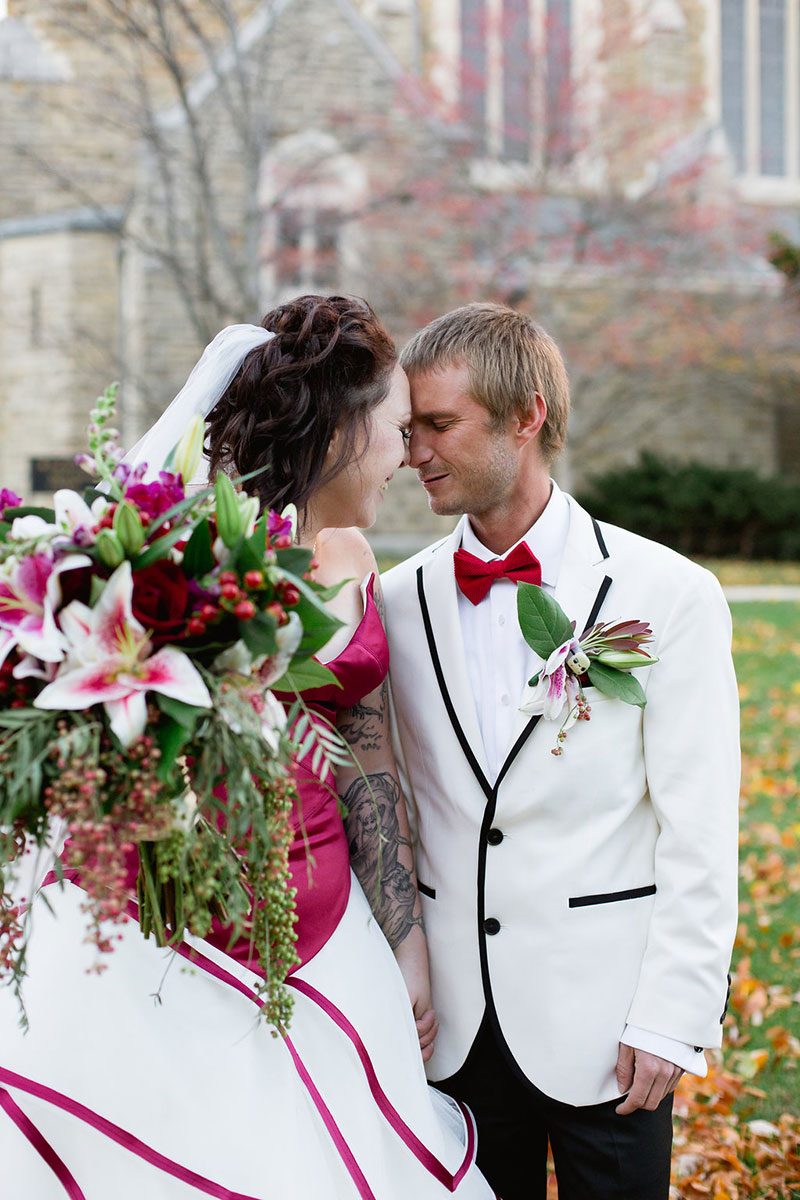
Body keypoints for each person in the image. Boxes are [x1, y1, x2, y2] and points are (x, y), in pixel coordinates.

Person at [0, 296, 493, 1200]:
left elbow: (365, 749)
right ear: (340, 429)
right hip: (188, 921)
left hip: (331, 917)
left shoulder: (353, 555)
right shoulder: (183, 553)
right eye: (395, 430)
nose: (405, 455)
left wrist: (406, 938)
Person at [381, 302, 740, 1200]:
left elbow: (699, 831)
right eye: (408, 428)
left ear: (526, 415)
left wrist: (674, 1016)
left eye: (439, 424)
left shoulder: (669, 594)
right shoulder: (393, 603)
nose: (414, 452)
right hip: (450, 1028)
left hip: (611, 1029)